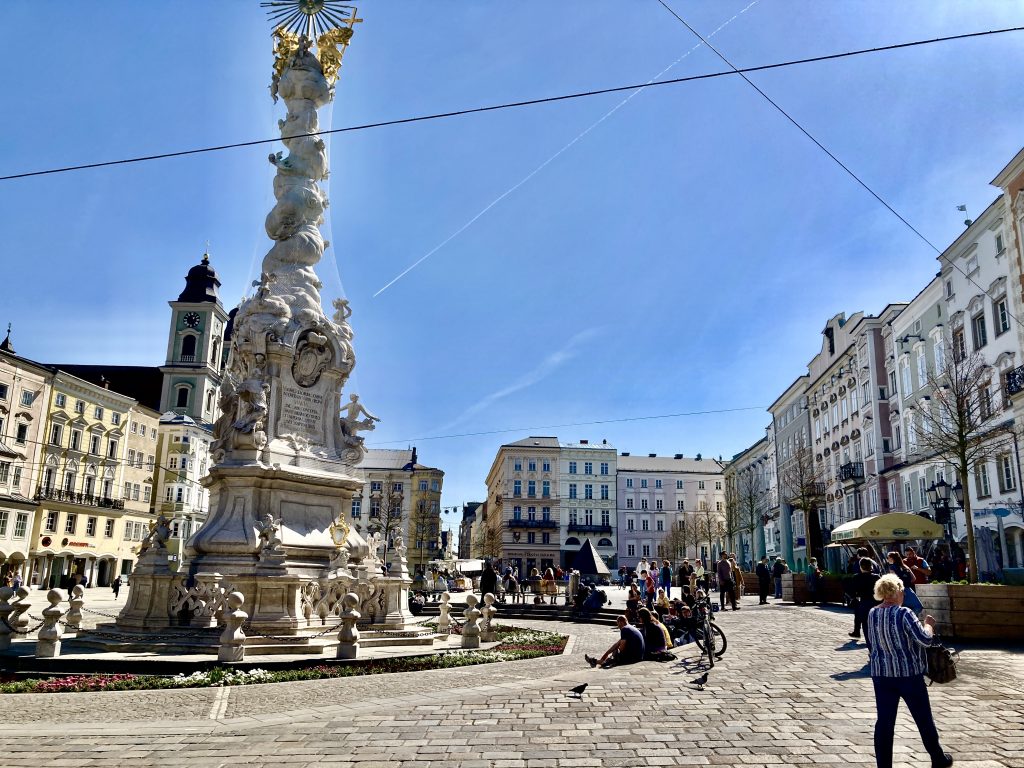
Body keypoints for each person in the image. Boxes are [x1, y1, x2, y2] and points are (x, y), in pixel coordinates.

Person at [866, 573, 952, 768]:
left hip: (881, 674)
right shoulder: (903, 613)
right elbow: (924, 639)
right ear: (897, 592)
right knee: (923, 718)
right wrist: (928, 626)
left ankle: (883, 765)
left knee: (885, 723)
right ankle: (937, 757)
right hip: (908, 674)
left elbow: (872, 642)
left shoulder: (873, 613)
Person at [849, 557, 880, 640]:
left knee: (864, 622)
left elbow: (852, 591)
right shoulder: (876, 577)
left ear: (861, 567)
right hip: (875, 602)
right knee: (875, 622)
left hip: (863, 602)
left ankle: (868, 640)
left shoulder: (856, 577)